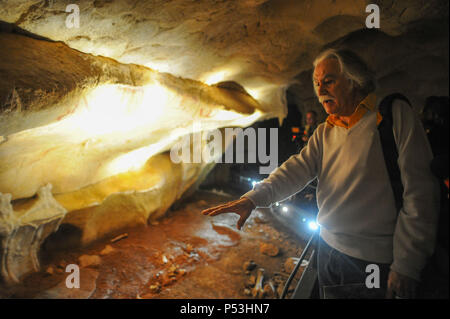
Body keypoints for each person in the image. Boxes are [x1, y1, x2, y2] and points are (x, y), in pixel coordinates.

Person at [202, 48, 440, 299]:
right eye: (317, 83)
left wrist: (407, 264)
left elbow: (421, 193)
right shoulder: (326, 131)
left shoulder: (393, 117)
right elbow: (295, 170)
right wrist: (252, 198)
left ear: (354, 80)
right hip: (327, 250)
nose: (320, 90)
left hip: (373, 262)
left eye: (329, 81)